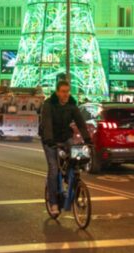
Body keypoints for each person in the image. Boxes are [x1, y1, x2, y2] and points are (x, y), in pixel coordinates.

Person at [40, 81, 92, 216]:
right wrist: (49, 139)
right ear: (57, 92)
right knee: (53, 169)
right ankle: (54, 203)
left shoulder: (71, 105)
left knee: (77, 157)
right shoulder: (49, 105)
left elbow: (80, 122)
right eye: (63, 91)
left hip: (65, 137)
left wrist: (88, 139)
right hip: (49, 139)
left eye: (67, 91)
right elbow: (47, 124)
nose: (66, 94)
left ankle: (72, 178)